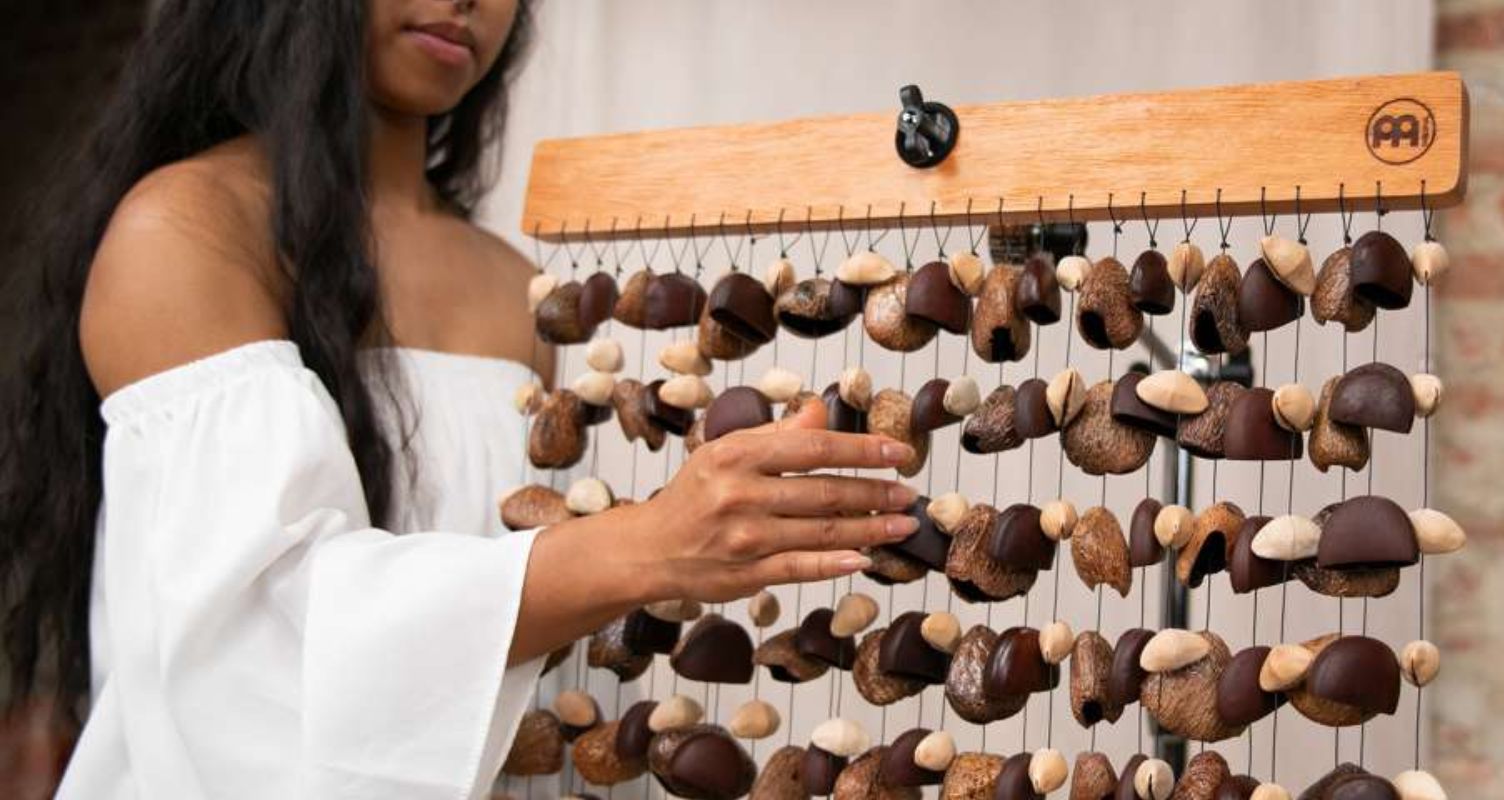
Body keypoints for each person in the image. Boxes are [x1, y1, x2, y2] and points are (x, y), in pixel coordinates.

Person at [0, 1, 918, 796]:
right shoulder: (184, 229)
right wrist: (648, 545)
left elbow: (515, 667)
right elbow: (260, 650)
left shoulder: (514, 288)